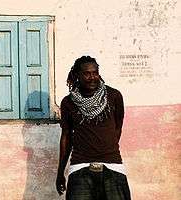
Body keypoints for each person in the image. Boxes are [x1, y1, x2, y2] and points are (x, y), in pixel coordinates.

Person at [56, 56, 131, 200]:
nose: (92, 77)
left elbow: (117, 127)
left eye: (95, 72)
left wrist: (105, 148)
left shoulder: (114, 96)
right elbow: (66, 136)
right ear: (77, 75)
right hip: (80, 166)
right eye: (87, 73)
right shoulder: (68, 102)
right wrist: (60, 172)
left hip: (113, 164)